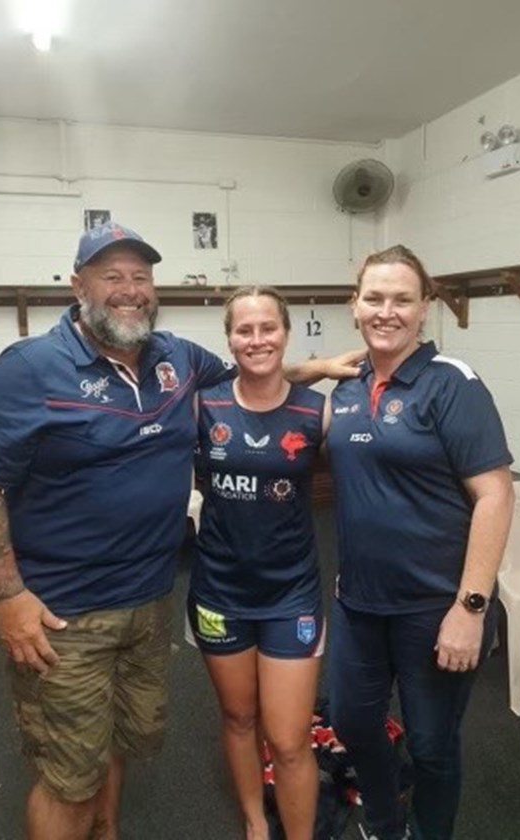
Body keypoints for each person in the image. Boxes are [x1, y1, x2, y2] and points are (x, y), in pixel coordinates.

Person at [0, 221, 359, 840]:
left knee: (114, 745)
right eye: (111, 276)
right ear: (77, 286)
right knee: (69, 779)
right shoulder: (31, 367)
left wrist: (319, 367)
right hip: (64, 613)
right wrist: (7, 596)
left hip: (149, 602)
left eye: (140, 276)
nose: (130, 289)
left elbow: (256, 377)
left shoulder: (176, 358)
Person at [325, 245, 514, 840]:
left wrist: (471, 609)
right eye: (374, 298)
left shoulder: (451, 385)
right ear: (354, 306)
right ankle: (385, 822)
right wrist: (314, 368)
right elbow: (265, 375)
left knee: (432, 747)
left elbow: (495, 496)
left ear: (424, 308)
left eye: (402, 299)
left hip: (435, 610)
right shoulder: (349, 388)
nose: (388, 311)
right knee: (352, 723)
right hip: (359, 603)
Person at [187, 286, 327, 840]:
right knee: (240, 719)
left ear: (285, 332)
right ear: (230, 339)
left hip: (290, 594)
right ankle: (253, 821)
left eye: (268, 327)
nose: (257, 339)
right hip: (219, 592)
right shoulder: (207, 404)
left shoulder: (320, 410)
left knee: (290, 738)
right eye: (244, 330)